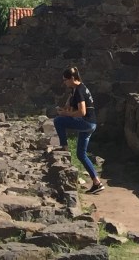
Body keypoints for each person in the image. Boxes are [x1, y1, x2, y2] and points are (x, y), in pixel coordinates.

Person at [53, 66, 103, 194]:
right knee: (81, 154)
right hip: (91, 124)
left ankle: (64, 146)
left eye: (66, 80)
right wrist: (65, 109)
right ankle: (97, 182)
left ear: (72, 78)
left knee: (58, 121)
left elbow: (82, 112)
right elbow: (70, 105)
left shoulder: (80, 90)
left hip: (86, 122)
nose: (64, 82)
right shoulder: (77, 90)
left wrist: (66, 115)